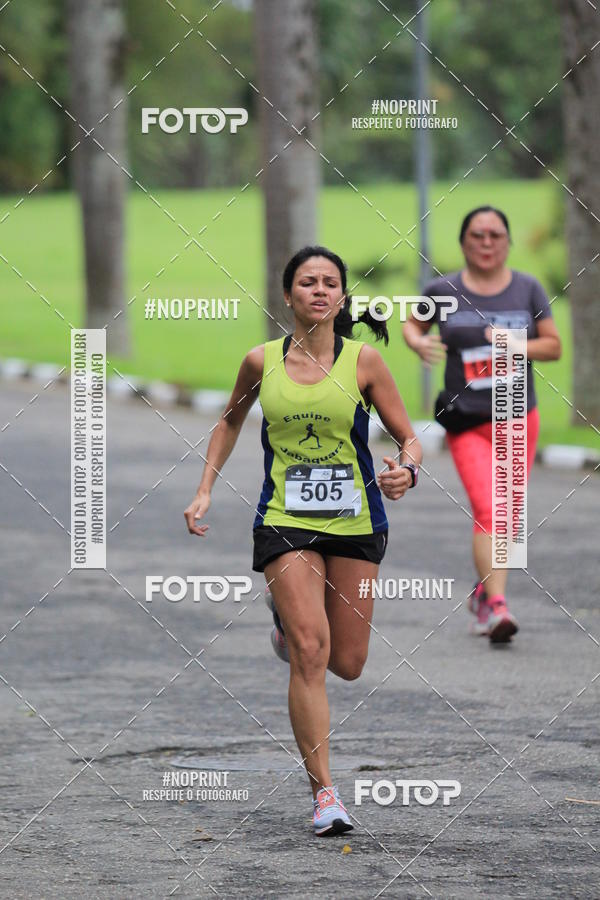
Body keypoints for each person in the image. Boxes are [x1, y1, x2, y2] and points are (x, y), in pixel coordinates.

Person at [184, 245, 422, 835]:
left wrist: (406, 470)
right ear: (288, 294)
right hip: (285, 519)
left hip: (356, 520)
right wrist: (204, 489)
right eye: (308, 282)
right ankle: (325, 797)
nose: (319, 290)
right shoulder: (259, 361)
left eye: (330, 283)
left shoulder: (364, 363)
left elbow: (408, 437)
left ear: (341, 297)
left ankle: (284, 629)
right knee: (312, 650)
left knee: (347, 662)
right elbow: (230, 420)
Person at [403, 206, 561, 643]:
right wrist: (418, 342)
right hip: (467, 420)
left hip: (517, 416)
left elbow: (553, 347)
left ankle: (483, 592)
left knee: (506, 515)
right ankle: (497, 607)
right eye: (477, 235)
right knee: (490, 509)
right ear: (463, 242)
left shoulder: (528, 289)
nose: (486, 243)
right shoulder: (442, 289)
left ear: (507, 242)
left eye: (495, 235)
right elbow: (412, 324)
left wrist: (515, 342)